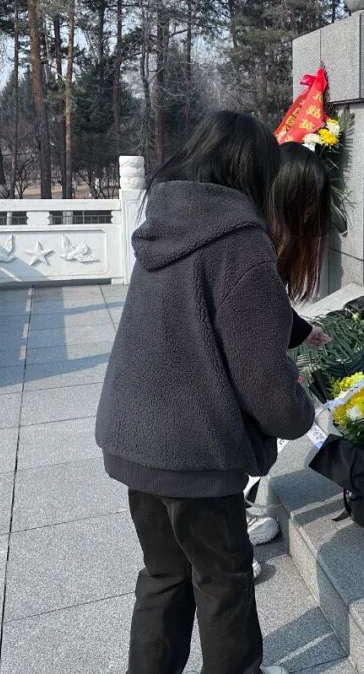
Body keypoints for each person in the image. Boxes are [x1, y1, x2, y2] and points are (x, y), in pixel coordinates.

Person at [96, 111, 318, 674]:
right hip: (193, 449)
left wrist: (297, 330)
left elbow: (209, 307)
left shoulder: (168, 222)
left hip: (134, 438)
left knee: (164, 576)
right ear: (254, 171)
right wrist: (302, 410)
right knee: (223, 580)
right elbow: (262, 374)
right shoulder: (240, 240)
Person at [244, 142, 334, 546]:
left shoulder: (257, 237)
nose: (312, 215)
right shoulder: (253, 249)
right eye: (309, 202)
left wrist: (301, 332)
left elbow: (270, 308)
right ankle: (229, 536)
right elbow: (255, 354)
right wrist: (294, 402)